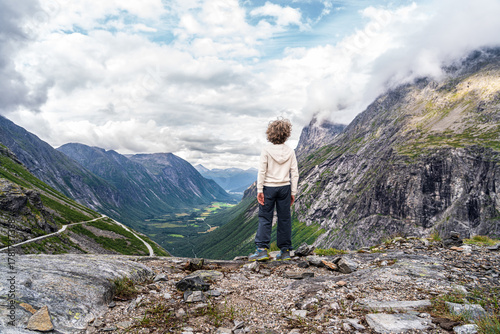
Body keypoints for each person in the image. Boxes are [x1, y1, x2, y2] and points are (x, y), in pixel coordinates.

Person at [249, 117, 299, 261]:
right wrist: (293, 192)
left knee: (265, 217)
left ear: (270, 133)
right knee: (284, 218)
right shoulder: (290, 151)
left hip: (268, 188)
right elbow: (294, 173)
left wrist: (259, 190)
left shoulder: (266, 150)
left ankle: (262, 250)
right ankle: (285, 252)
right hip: (285, 188)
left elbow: (262, 171)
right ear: (286, 134)